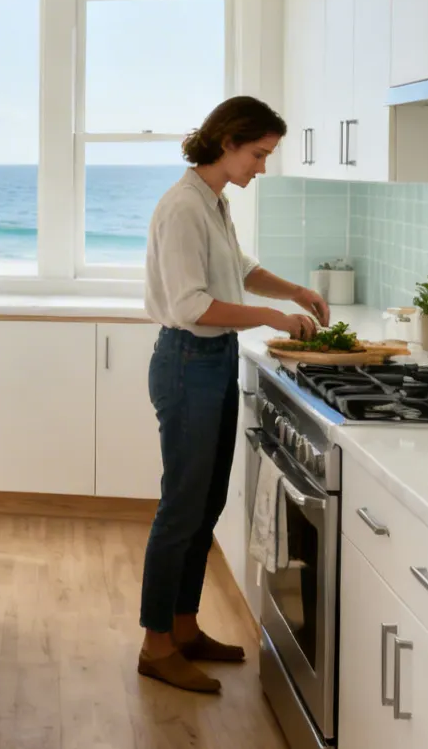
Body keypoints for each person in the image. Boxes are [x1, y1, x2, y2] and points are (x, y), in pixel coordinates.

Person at [136, 95, 327, 694]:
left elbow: (237, 269)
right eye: (258, 154)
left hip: (211, 360)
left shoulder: (212, 202)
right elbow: (193, 304)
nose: (261, 168)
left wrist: (293, 290)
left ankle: (184, 627)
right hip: (187, 360)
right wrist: (270, 316)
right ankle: (154, 644)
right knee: (181, 508)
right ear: (227, 142)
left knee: (207, 503)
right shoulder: (183, 209)